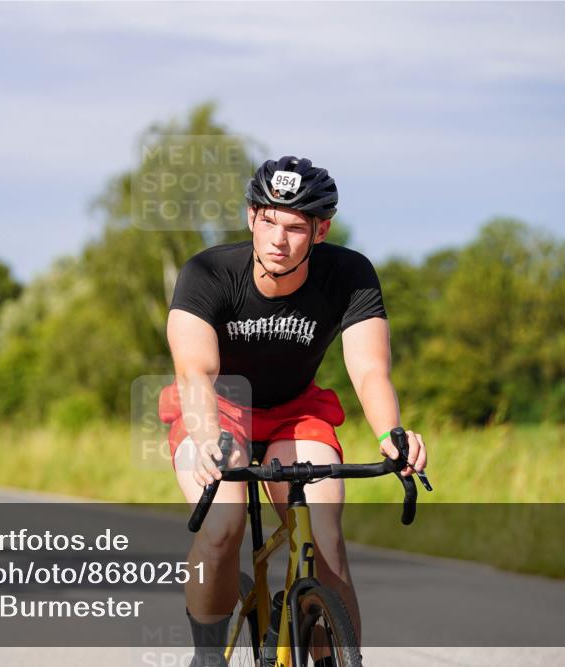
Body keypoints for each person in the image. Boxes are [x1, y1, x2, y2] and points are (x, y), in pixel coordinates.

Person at [160, 156, 429, 666]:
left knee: (325, 540)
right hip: (218, 408)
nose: (277, 239)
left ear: (321, 229)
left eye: (294, 227)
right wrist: (206, 435)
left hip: (294, 411)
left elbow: (370, 369)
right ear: (250, 217)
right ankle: (207, 657)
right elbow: (195, 371)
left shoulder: (349, 274)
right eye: (267, 220)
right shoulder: (208, 272)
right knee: (223, 525)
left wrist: (392, 432)